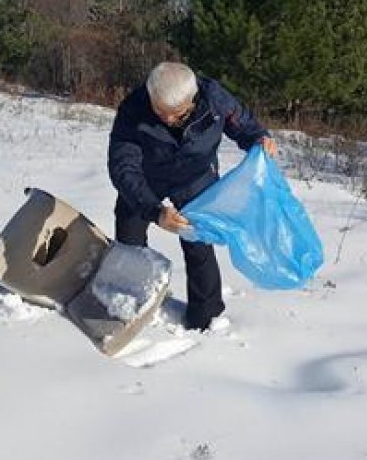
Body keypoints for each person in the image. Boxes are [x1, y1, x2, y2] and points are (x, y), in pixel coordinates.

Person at [107, 61, 277, 331]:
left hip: (195, 176)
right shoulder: (133, 108)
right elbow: (122, 167)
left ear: (192, 99)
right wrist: (154, 211)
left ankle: (206, 315)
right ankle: (128, 302)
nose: (168, 120)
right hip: (147, 176)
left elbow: (244, 125)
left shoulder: (214, 98)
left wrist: (259, 138)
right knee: (129, 235)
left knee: (198, 242)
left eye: (176, 114)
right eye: (160, 112)